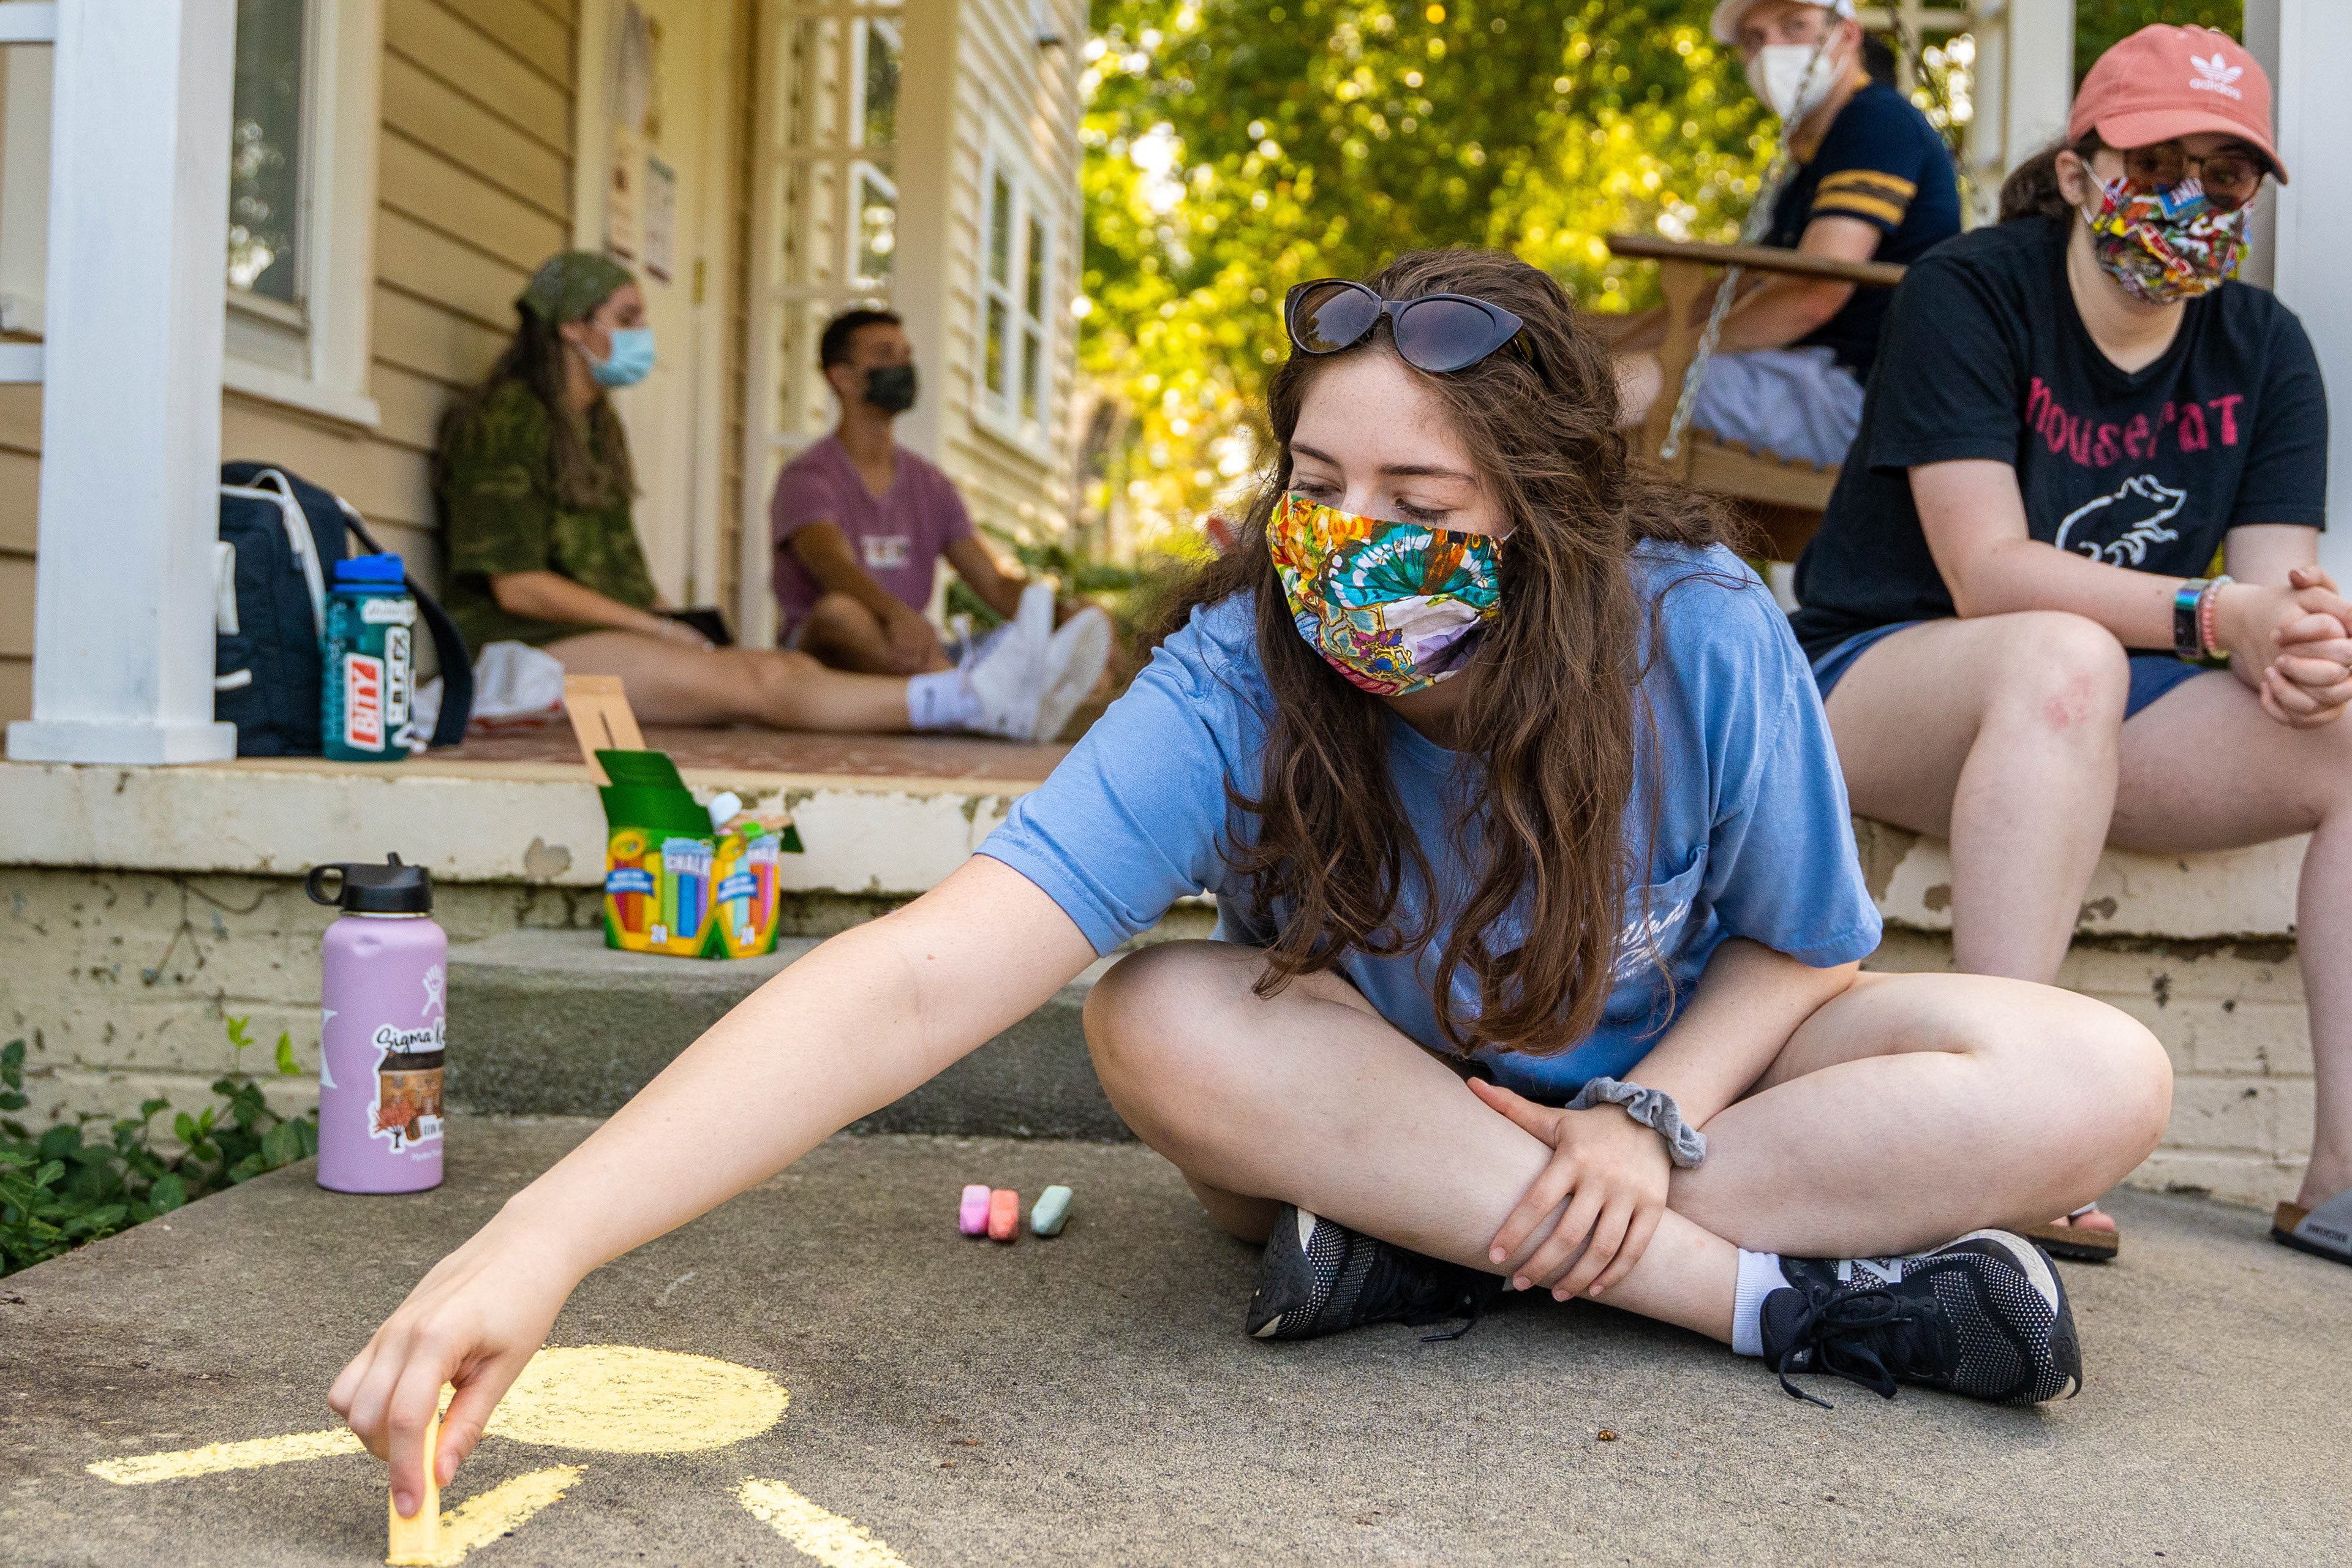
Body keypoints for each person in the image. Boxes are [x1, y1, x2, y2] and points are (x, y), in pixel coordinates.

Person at [337, 251, 2172, 1518]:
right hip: (1360, 1103)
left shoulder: (1689, 626)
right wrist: (542, 1235)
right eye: (1312, 478)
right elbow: (923, 974)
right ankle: (1770, 1301)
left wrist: (1643, 1119)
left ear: (1538, 505)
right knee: (1152, 1016)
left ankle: (1425, 1255)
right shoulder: (1238, 666)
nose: (1348, 537)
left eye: (1416, 495)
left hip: (1666, 1099)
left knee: (2098, 1077)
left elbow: (1794, 944)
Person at [1789, 26, 2351, 1265]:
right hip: (1882, 674)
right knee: (2059, 653)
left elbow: (2266, 601)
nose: (2194, 200)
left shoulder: (2266, 351)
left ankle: (2339, 1175)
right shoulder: (1971, 289)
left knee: (2345, 728)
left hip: (2091, 721)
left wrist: (2301, 644)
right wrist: (2217, 617)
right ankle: (2007, 1125)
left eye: (2229, 173)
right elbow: (1984, 573)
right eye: (2158, 165)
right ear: (2087, 169)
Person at [436, 254, 1094, 743]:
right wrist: (662, 631)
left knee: (767, 668)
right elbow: (518, 587)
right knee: (762, 683)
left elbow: (617, 574)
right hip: (520, 646)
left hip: (588, 636)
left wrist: (677, 623)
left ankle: (973, 695)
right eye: (627, 318)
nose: (643, 334)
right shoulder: (505, 420)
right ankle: (972, 699)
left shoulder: (597, 428)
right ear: (574, 330)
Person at [1615, 0, 1961, 469]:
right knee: (1597, 374)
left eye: (1794, 26)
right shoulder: (1812, 158)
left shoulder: (1877, 123)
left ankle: (1500, 538)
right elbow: (1735, 291)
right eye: (1754, 39)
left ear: (1849, 35)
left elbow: (1813, 293)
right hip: (1810, 379)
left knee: (1612, 390)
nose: (1771, 50)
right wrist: (1603, 342)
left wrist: (1670, 354)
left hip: (1858, 397)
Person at [773, 308, 1111, 709]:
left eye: (906, 354)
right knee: (840, 614)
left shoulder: (930, 484)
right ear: (841, 377)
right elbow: (832, 564)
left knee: (1060, 645)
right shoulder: (807, 477)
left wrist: (1067, 616)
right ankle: (973, 699)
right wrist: (895, 615)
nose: (902, 365)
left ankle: (970, 695)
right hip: (829, 659)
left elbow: (996, 584)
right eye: (885, 355)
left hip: (916, 657)